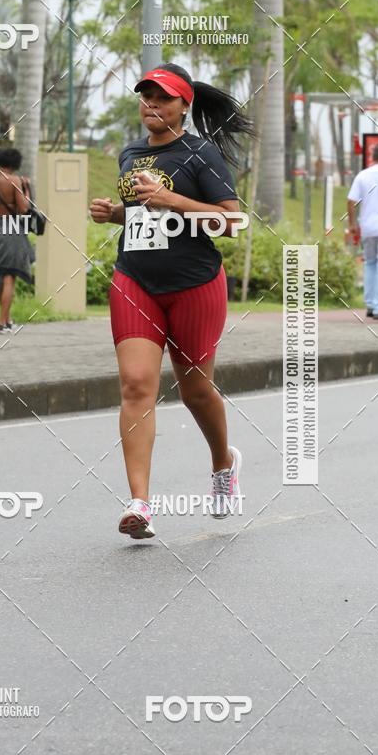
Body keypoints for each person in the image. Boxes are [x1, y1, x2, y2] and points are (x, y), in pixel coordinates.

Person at [90, 62, 253, 540]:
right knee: (137, 384)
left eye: (161, 98)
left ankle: (224, 464)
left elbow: (233, 222)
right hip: (135, 280)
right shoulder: (130, 154)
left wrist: (175, 201)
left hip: (194, 285)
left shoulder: (201, 154)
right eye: (145, 97)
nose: (150, 106)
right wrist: (116, 214)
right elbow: (146, 216)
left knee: (194, 391)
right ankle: (139, 503)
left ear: (184, 105)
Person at [0, 147, 36, 334]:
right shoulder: (14, 181)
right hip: (11, 229)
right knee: (9, 276)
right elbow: (23, 208)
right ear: (13, 163)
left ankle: (8, 318)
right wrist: (26, 189)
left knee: (2, 275)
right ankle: (1, 322)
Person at [348, 143, 378, 320]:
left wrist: (352, 224)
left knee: (370, 263)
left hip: (367, 228)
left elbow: (351, 201)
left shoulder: (362, 176)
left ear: (373, 157)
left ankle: (371, 306)